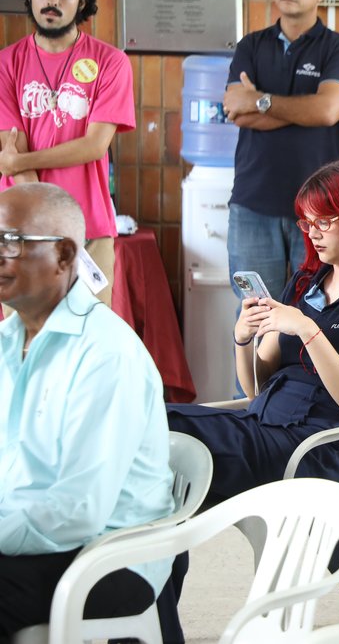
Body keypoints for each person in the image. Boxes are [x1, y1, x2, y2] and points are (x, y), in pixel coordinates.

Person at [167, 161, 339, 498]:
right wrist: (242, 338)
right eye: (307, 222)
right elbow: (256, 389)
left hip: (314, 447)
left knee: (166, 432)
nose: (312, 233)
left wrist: (308, 330)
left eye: (323, 222)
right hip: (260, 427)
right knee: (154, 422)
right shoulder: (305, 282)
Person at [0, 182, 173, 637]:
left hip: (104, 554)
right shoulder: (7, 341)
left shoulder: (106, 354)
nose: (0, 254)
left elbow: (79, 508)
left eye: (12, 242)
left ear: (62, 255)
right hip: (29, 533)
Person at [222, 0, 339, 303]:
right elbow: (237, 112)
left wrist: (260, 100)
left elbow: (327, 111)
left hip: (322, 209)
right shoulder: (250, 46)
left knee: (318, 313)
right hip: (254, 203)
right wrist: (311, 109)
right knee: (254, 315)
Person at [0, 0, 136, 307]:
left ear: (83, 1)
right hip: (19, 228)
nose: (51, 0)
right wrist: (50, 220)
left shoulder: (110, 62)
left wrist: (21, 160)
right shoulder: (6, 63)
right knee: (22, 344)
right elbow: (9, 148)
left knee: (88, 341)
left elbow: (94, 146)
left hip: (88, 229)